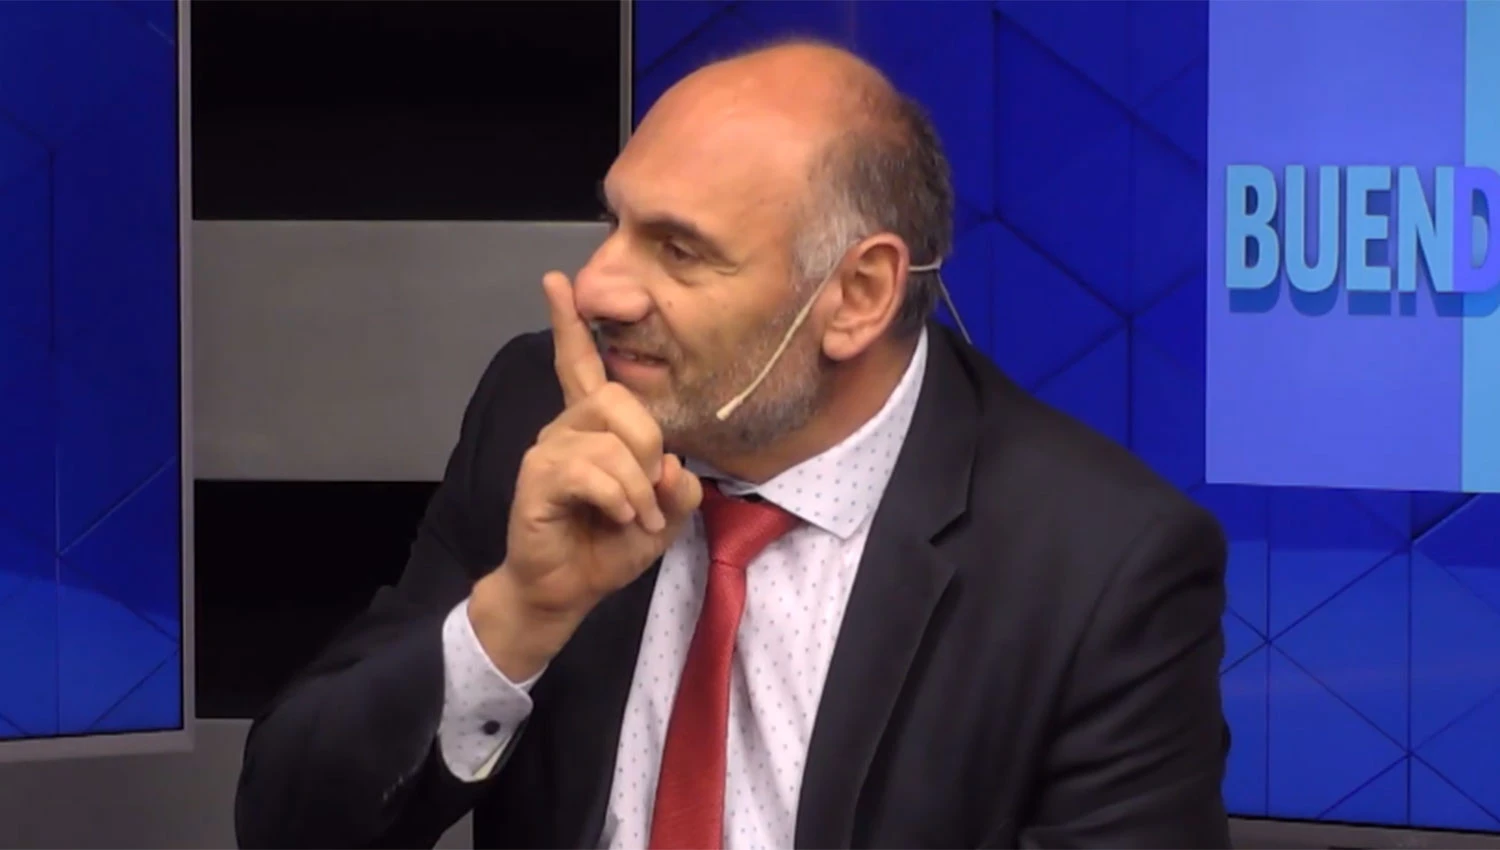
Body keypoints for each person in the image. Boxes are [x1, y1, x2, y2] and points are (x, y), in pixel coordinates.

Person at [234, 39, 1231, 850]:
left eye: (679, 250)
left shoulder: (1100, 564)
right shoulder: (543, 414)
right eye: (613, 223)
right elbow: (289, 825)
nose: (596, 287)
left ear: (856, 296)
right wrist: (518, 616)